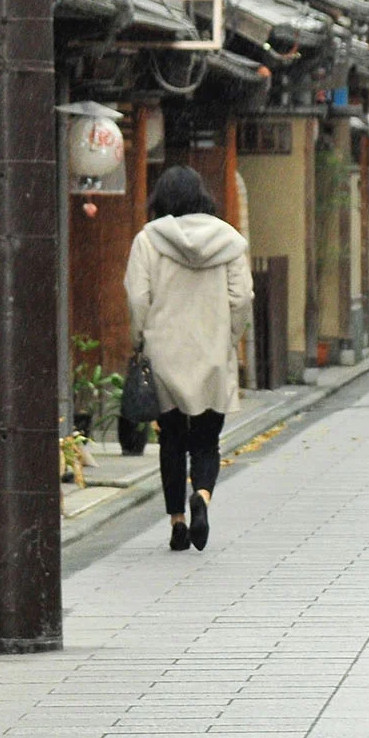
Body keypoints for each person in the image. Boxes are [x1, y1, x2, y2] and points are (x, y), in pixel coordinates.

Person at [125, 166, 253, 551]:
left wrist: (140, 340)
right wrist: (229, 338)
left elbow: (136, 297)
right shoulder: (229, 240)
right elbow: (242, 298)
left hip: (164, 352)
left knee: (171, 441)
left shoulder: (147, 241)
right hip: (212, 351)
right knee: (206, 440)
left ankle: (177, 522)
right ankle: (202, 496)